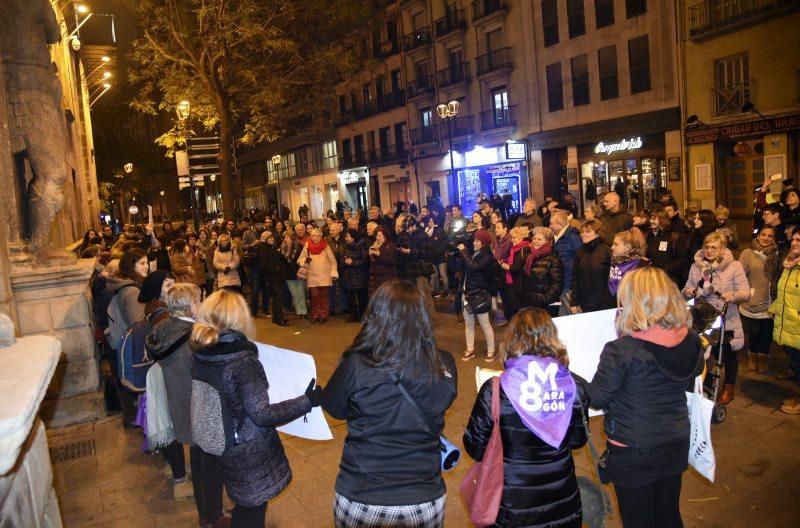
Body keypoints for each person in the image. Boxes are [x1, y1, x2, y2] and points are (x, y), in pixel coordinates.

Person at [321, 281, 457, 528]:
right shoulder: (444, 363)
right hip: (424, 496)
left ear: (376, 315)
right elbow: (440, 400)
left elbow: (334, 407)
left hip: (363, 494)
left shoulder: (356, 363)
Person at [191, 290, 322, 528]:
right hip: (247, 451)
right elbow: (262, 414)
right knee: (253, 509)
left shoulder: (202, 354)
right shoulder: (241, 362)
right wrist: (307, 401)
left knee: (244, 503)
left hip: (223, 441)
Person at [588, 267, 704, 528]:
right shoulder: (691, 340)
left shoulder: (621, 351)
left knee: (638, 520)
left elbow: (597, 397)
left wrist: (572, 377)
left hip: (633, 449)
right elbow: (692, 374)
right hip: (675, 441)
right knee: (668, 515)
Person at [463, 308, 588, 528]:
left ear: (511, 340)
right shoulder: (572, 386)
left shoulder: (495, 390)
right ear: (552, 338)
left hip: (512, 506)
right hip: (562, 503)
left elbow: (475, 448)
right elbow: (578, 441)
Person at [147, 284, 226, 520]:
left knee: (198, 460)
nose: (201, 304)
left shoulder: (162, 330)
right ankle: (212, 516)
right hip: (201, 408)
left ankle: (206, 513)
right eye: (199, 300)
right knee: (209, 468)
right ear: (192, 305)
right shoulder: (195, 337)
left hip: (181, 406)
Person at [683, 231, 751, 404]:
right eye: (707, 247)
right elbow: (687, 288)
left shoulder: (734, 266)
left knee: (727, 353)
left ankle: (729, 388)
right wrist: (689, 291)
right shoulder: (696, 266)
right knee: (703, 353)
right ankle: (703, 385)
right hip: (702, 317)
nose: (709, 250)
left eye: (714, 247)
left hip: (725, 314)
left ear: (722, 250)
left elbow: (745, 291)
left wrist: (733, 296)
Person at [105, 247, 149, 427]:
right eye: (142, 263)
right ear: (131, 266)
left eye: (147, 262)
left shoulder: (125, 285)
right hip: (132, 346)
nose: (147, 266)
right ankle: (137, 420)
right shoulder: (132, 291)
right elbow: (138, 325)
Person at [739, 227, 780, 373]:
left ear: (773, 239)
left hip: (771, 300)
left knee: (768, 332)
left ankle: (763, 359)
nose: (766, 238)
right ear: (758, 236)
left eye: (770, 236)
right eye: (763, 235)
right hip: (754, 300)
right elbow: (740, 275)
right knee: (754, 331)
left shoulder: (777, 253)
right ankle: (753, 356)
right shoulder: (747, 253)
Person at [771, 232, 800, 413]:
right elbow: (785, 294)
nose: (794, 243)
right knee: (797, 364)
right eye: (794, 239)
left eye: (799, 240)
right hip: (789, 325)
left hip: (796, 325)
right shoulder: (790, 265)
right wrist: (774, 308)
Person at [458, 229, 496, 362]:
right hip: (467, 294)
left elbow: (474, 267)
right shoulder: (474, 254)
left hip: (478, 295)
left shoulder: (487, 257)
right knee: (468, 324)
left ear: (484, 243)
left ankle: (491, 351)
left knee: (485, 324)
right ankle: (470, 349)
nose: (474, 243)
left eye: (477, 241)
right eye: (474, 240)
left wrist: (463, 252)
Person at [571, 220, 614, 313]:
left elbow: (612, 280)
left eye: (588, 231)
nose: (583, 234)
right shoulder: (580, 252)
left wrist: (608, 301)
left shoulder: (608, 251)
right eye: (582, 231)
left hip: (604, 303)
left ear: (598, 233)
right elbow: (575, 278)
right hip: (584, 303)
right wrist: (574, 302)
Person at [297, 228, 338, 324]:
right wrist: (305, 260)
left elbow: (333, 260)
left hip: (325, 275)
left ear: (321, 236)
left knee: (324, 297)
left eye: (318, 235)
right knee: (315, 296)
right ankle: (315, 315)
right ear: (311, 236)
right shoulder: (307, 246)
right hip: (313, 275)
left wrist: (333, 272)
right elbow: (299, 260)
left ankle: (323, 315)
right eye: (314, 235)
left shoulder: (326, 246)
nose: (316, 237)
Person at [518, 226, 563, 314]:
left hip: (545, 306)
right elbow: (521, 277)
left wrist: (544, 300)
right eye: (534, 238)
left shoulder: (553, 259)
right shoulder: (529, 256)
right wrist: (521, 294)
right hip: (528, 302)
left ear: (548, 241)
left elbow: (557, 284)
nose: (535, 241)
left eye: (539, 239)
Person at [646, 209, 692, 289]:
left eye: (654, 219)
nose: (651, 221)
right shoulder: (649, 236)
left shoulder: (674, 236)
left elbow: (683, 258)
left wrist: (667, 268)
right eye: (651, 218)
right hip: (652, 278)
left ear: (663, 220)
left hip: (670, 279)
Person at [257, 231, 289, 326]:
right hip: (271, 277)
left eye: (272, 237)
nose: (272, 239)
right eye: (269, 238)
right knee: (278, 296)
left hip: (277, 277)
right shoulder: (263, 249)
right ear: (265, 239)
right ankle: (279, 319)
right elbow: (263, 265)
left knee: (276, 298)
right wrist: (275, 268)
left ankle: (276, 318)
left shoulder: (271, 247)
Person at [609, 229, 648, 302]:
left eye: (616, 244)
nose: (612, 247)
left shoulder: (641, 267)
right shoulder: (614, 262)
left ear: (628, 247)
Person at [341, 228, 369, 322]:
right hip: (348, 276)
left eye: (348, 236)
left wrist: (353, 262)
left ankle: (363, 315)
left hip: (359, 276)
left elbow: (364, 261)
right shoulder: (346, 246)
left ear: (353, 238)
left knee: (361, 298)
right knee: (350, 297)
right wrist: (345, 261)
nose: (346, 238)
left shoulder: (361, 246)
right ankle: (354, 315)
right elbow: (343, 258)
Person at [367, 226, 397, 296]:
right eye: (376, 236)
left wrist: (379, 254)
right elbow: (366, 261)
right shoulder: (375, 245)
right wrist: (368, 253)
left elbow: (392, 261)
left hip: (385, 279)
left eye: (380, 236)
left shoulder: (390, 245)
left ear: (385, 235)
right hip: (374, 280)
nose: (378, 238)